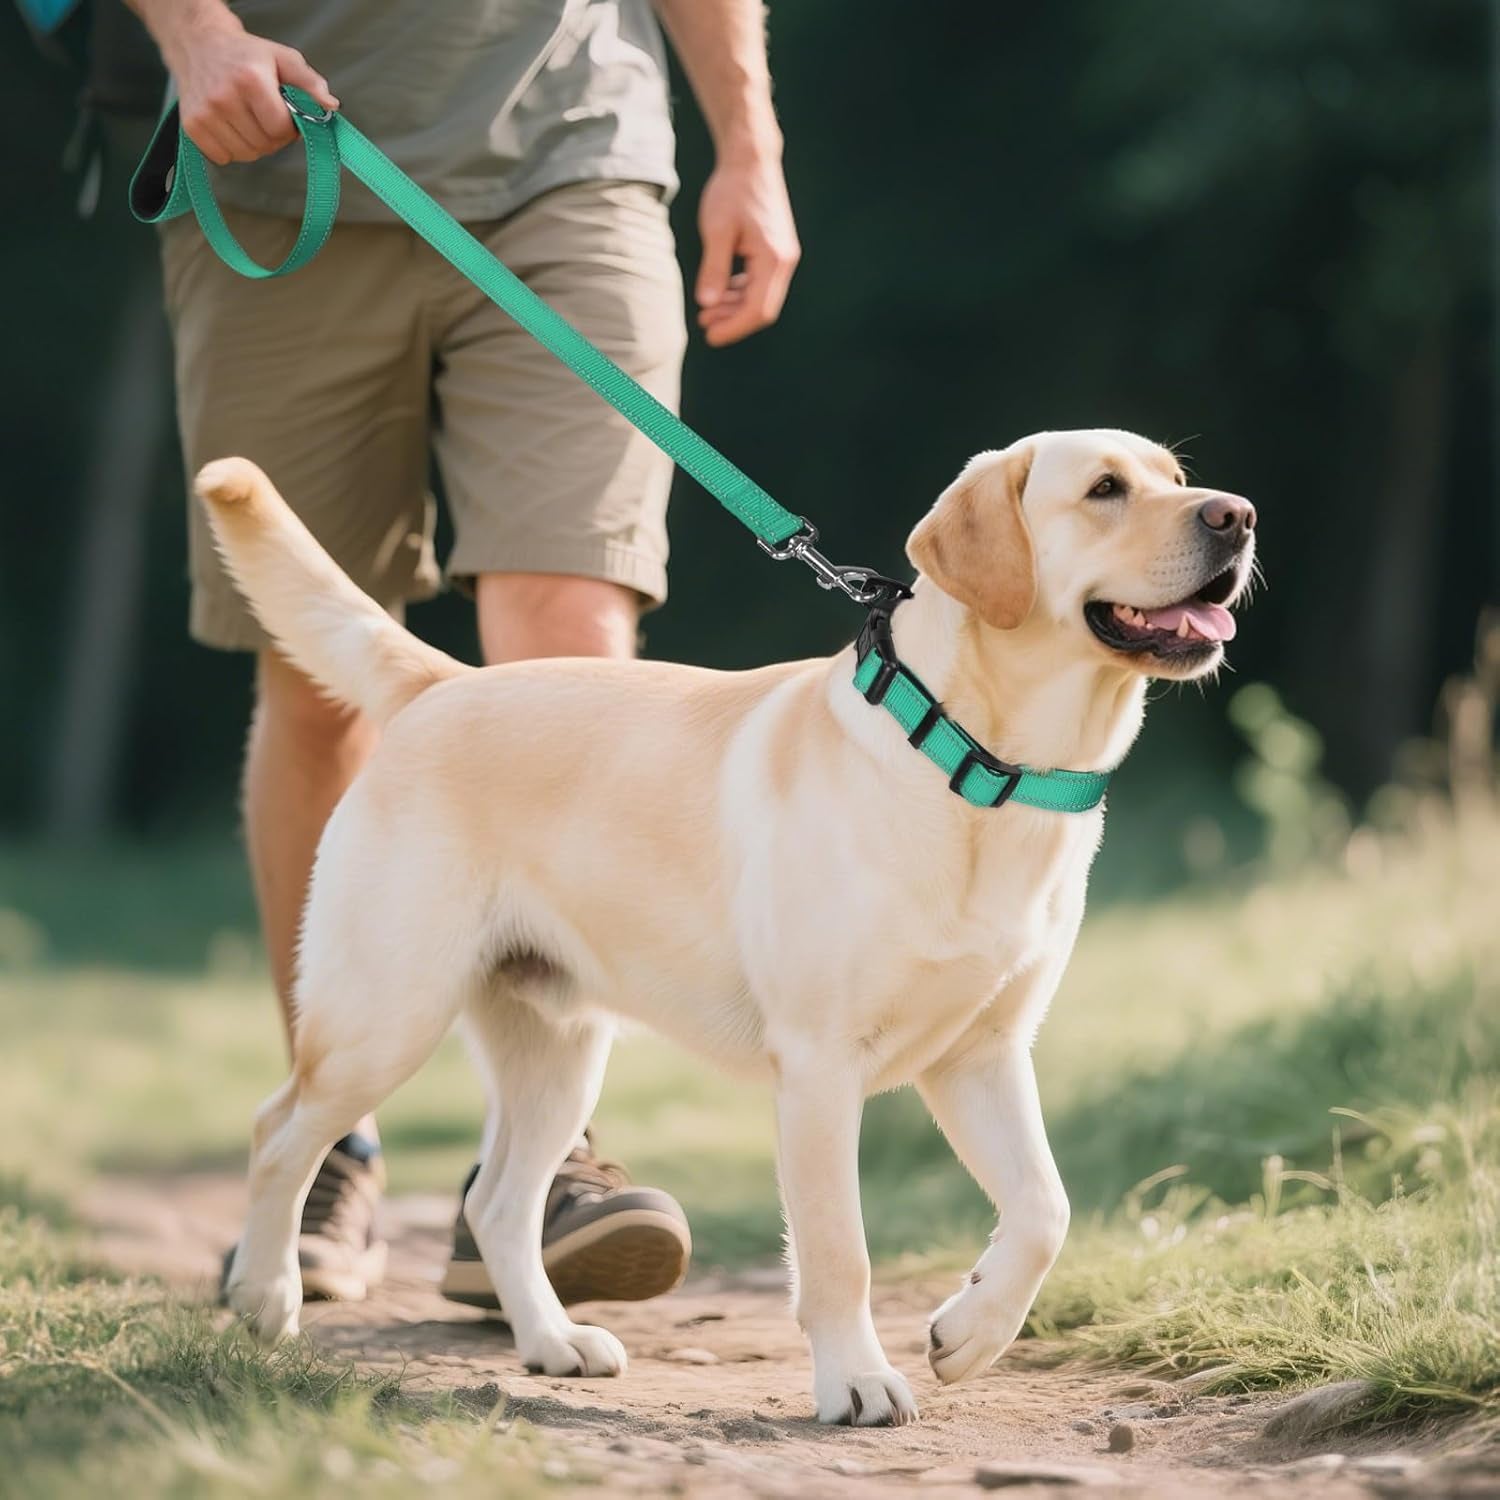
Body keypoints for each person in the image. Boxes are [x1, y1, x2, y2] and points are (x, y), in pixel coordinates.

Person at [127, 0, 799, 1310]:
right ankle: (332, 1131)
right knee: (322, 689)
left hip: (573, 156)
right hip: (279, 159)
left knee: (574, 649)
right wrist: (198, 37)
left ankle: (542, 1167)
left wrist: (749, 143)